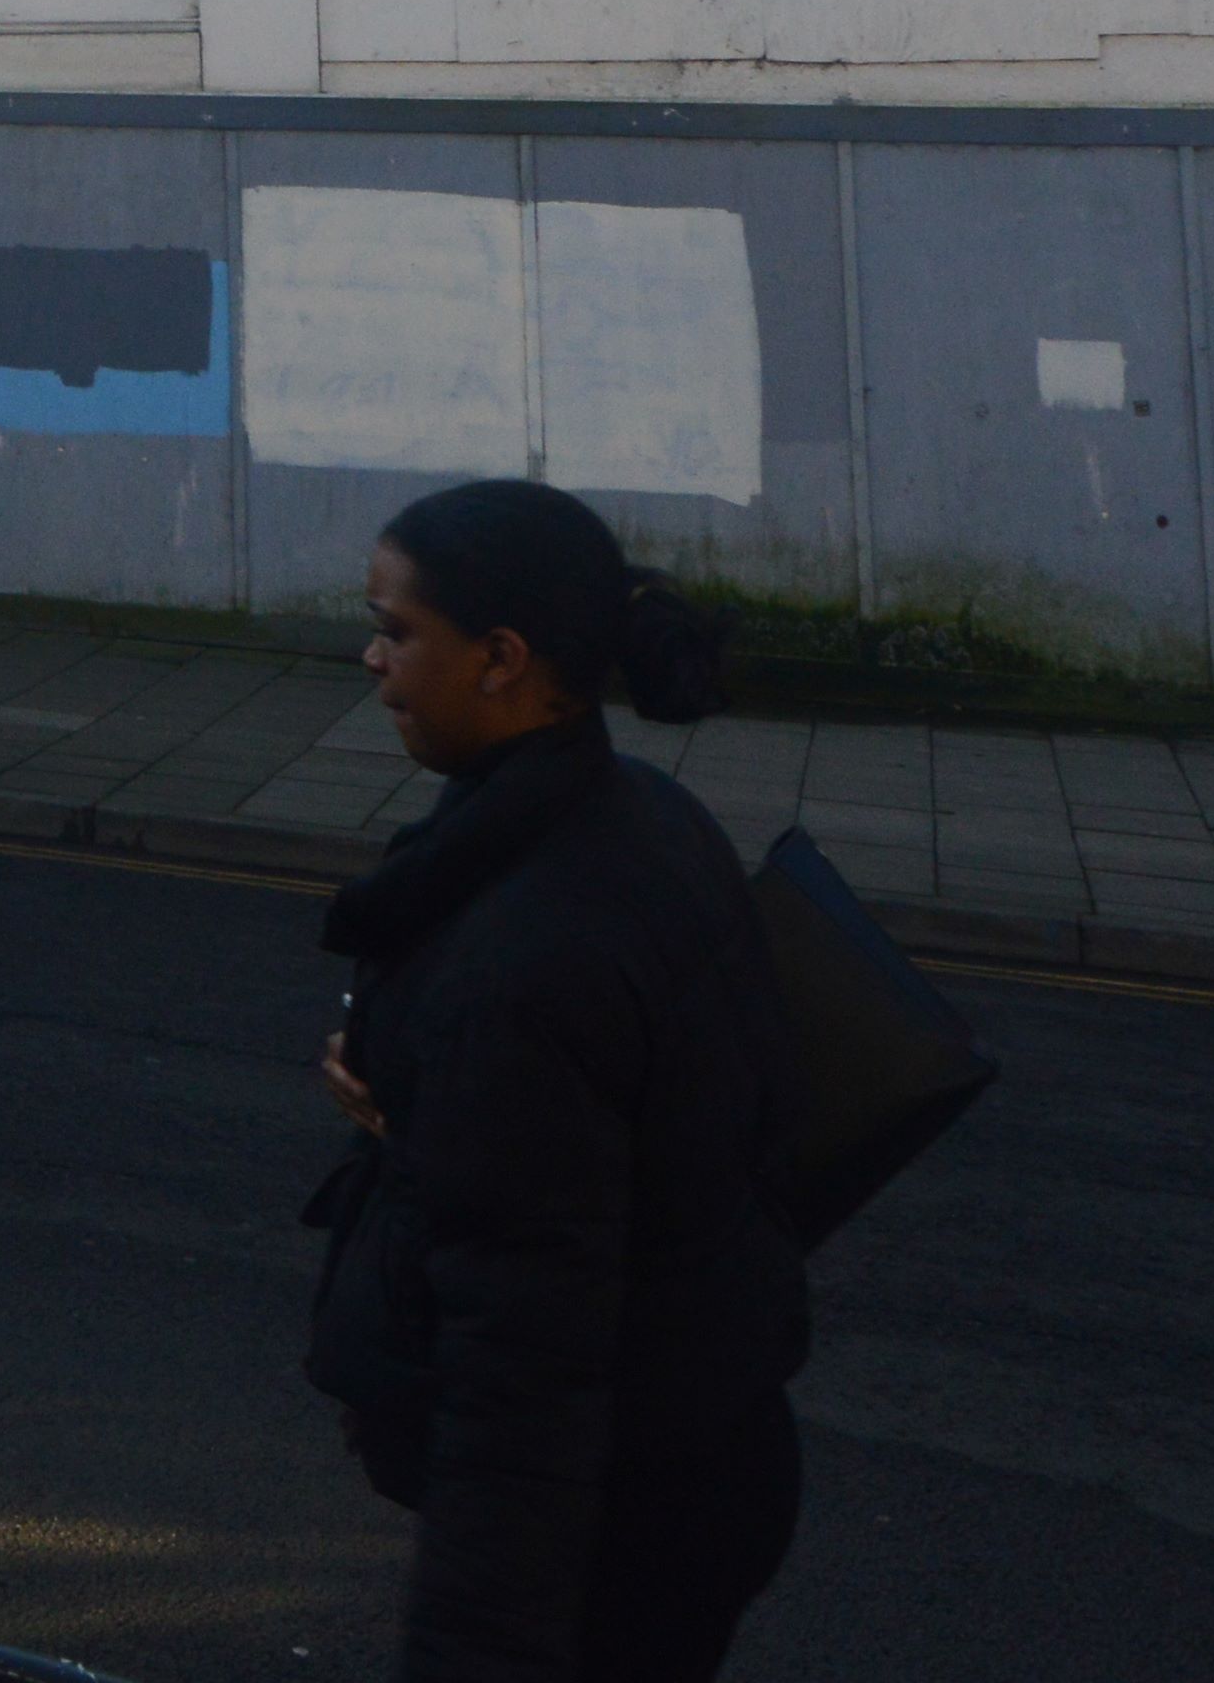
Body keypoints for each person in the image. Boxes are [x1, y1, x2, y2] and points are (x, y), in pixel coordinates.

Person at [301, 477, 803, 1683]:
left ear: (502, 658)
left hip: (607, 1525)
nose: (373, 658)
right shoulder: (648, 816)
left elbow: (521, 1380)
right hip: (707, 1448)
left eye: (398, 627)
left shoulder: (524, 968)